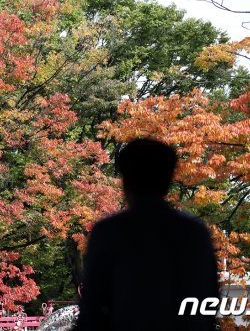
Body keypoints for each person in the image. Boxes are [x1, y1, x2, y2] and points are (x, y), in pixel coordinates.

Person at [74, 137, 219, 331]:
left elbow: (92, 307)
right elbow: (208, 299)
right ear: (168, 179)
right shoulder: (193, 232)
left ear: (126, 180)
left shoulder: (109, 232)